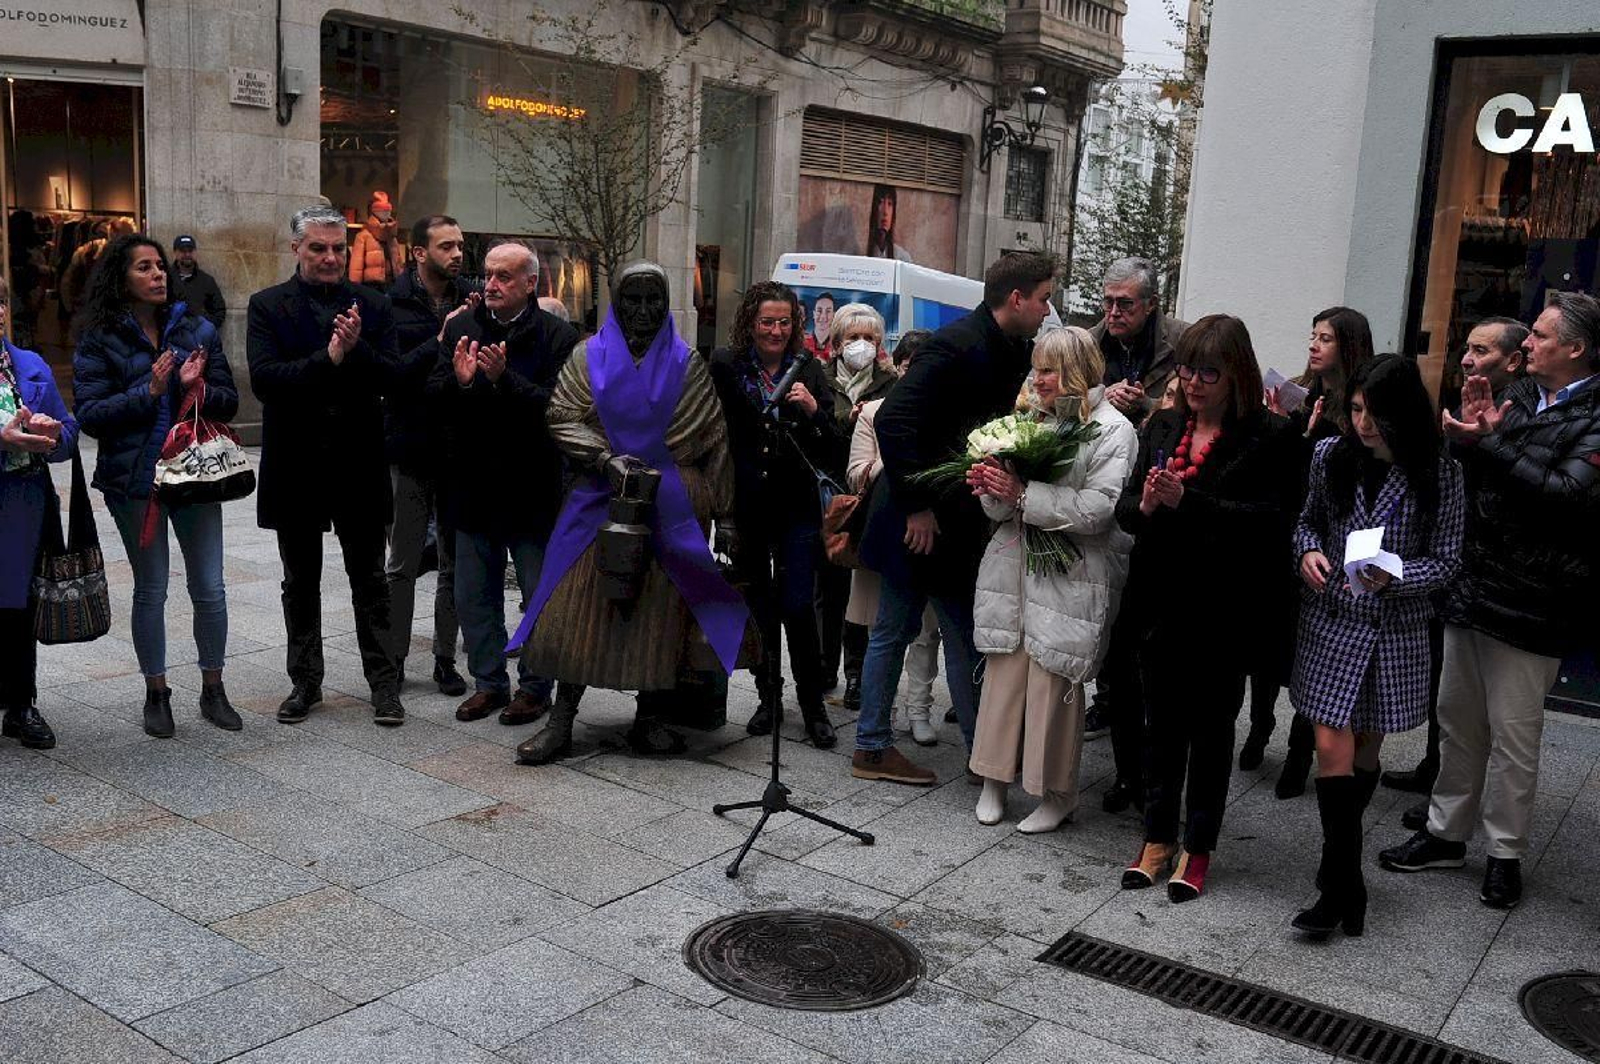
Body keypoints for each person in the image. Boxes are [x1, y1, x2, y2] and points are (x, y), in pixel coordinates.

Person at [1379, 291, 1600, 910]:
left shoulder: (1596, 415)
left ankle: (1504, 853)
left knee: (1514, 737)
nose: (1526, 343)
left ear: (1576, 350)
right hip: (1474, 584)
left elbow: (1567, 496)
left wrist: (1490, 445)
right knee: (1457, 721)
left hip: (1535, 601)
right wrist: (1463, 442)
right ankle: (1445, 833)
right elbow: (1475, 477)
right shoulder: (1519, 395)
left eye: (1540, 335)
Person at [510, 261, 749, 763]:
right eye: (633, 300)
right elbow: (560, 416)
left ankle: (651, 717)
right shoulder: (586, 356)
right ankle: (561, 720)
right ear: (615, 303)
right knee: (573, 607)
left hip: (672, 504)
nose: (643, 310)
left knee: (660, 615)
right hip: (600, 499)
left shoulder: (689, 365)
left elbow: (716, 443)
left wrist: (725, 517)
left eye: (653, 300)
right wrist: (603, 456)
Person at [1115, 315, 1305, 902]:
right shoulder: (1166, 424)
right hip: (1158, 601)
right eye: (1185, 369)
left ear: (1236, 374)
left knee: (1213, 729)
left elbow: (1275, 525)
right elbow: (1124, 512)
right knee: (1160, 726)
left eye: (1208, 372)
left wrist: (1188, 502)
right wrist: (1146, 506)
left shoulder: (1271, 436)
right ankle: (1155, 837)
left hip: (1225, 608)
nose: (1193, 382)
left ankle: (1199, 846)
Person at [854, 252, 1058, 784]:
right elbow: (896, 420)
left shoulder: (1008, 346)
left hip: (952, 519)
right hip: (918, 519)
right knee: (907, 632)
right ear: (1017, 299)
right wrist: (917, 506)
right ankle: (881, 748)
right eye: (1044, 297)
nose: (1047, 308)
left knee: (953, 634)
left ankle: (973, 752)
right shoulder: (955, 344)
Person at [1287, 355, 1464, 939]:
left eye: (1376, 414)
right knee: (1331, 748)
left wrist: (1399, 574)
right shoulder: (1329, 456)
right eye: (1357, 409)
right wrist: (1308, 553)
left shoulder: (1440, 473)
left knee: (1364, 752)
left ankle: (1335, 872)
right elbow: (1307, 523)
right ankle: (1343, 887)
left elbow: (1447, 560)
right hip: (1333, 621)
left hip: (1393, 634)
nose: (1363, 424)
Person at [73, 235, 242, 737]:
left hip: (194, 475)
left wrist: (197, 388)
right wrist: (147, 390)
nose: (158, 275)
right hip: (136, 481)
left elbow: (230, 401)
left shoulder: (197, 329)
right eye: (144, 267)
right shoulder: (99, 338)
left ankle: (214, 688)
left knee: (209, 587)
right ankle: (157, 693)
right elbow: (91, 416)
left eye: (160, 266)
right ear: (120, 278)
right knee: (151, 589)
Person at [968, 326, 1137, 832]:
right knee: (1005, 672)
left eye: (1047, 369)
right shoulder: (1028, 418)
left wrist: (1023, 495)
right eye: (1036, 368)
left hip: (1072, 571)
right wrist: (991, 487)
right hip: (1014, 565)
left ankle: (1056, 793)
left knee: (1054, 680)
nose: (1037, 379)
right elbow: (999, 508)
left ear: (1076, 371)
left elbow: (1099, 509)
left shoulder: (1112, 429)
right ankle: (993, 779)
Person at [248, 205, 404, 726]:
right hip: (296, 464)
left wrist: (355, 351)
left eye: (338, 247)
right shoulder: (267, 306)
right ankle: (305, 682)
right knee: (301, 581)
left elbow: (394, 378)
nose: (331, 257)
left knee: (370, 580)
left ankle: (385, 686)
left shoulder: (375, 306)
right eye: (318, 248)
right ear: (296, 249)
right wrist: (329, 358)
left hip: (358, 464)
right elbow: (267, 381)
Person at [427, 242, 575, 726]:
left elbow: (563, 409)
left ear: (530, 283)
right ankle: (489, 682)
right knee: (474, 594)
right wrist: (464, 382)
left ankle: (535, 687)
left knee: (537, 596)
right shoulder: (463, 329)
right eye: (488, 274)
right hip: (473, 487)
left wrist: (504, 378)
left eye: (503, 277)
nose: (490, 284)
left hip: (531, 489)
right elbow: (433, 398)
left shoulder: (557, 335)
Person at [1384, 317, 1528, 807]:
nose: (1467, 360)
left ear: (1513, 361)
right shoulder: (1463, 404)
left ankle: (1451, 795)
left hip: (1490, 569)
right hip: (1456, 560)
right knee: (1446, 686)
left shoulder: (1521, 413)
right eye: (1466, 348)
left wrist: (1482, 441)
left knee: (1480, 705)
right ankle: (1433, 769)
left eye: (1481, 351)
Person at [710, 281, 838, 748]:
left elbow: (831, 444)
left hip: (797, 508)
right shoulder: (726, 364)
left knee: (798, 606)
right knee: (760, 606)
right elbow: (716, 432)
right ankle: (769, 699)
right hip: (747, 505)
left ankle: (813, 706)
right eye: (768, 321)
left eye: (785, 322)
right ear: (751, 322)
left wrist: (810, 411)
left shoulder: (810, 369)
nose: (776, 330)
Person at [1080, 257, 1188, 807]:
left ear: (1151, 304)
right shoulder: (1091, 342)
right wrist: (1101, 401)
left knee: (1154, 657)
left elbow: (1189, 409)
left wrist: (1143, 405)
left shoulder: (1182, 342)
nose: (1113, 312)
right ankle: (1125, 764)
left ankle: (1157, 768)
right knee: (1118, 644)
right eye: (1108, 301)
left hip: (1166, 495)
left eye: (1125, 303)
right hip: (1112, 495)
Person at [1270, 306, 1376, 798]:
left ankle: (1302, 755)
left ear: (1348, 345)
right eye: (1312, 335)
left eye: (1326, 338)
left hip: (1340, 541)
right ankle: (1283, 743)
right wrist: (1284, 426)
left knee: (1323, 658)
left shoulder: (1359, 403)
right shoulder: (1299, 388)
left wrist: (1315, 436)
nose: (1314, 346)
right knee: (1295, 649)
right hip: (1295, 530)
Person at [384, 214, 473, 698]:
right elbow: (391, 375)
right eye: (446, 246)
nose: (457, 254)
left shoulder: (471, 301)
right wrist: (439, 339)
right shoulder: (390, 304)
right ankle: (395, 659)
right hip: (410, 445)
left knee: (454, 562)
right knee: (402, 561)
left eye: (460, 246)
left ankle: (444, 658)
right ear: (419, 252)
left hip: (458, 450)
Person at [846, 331, 941, 745]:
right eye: (908, 366)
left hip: (930, 532)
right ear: (899, 368)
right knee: (883, 630)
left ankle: (919, 709)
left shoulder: (942, 411)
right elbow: (855, 471)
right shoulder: (874, 412)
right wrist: (895, 462)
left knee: (927, 632)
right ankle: (875, 719)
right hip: (886, 527)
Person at [0, 278, 78, 749]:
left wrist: (51, 434)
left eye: (0, 301)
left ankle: (21, 704)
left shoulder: (29, 366)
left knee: (17, 604)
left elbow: (68, 435)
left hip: (21, 504)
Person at [818, 303, 897, 712]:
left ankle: (855, 675)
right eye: (853, 338)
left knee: (861, 594)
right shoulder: (820, 379)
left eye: (870, 339)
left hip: (868, 498)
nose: (862, 346)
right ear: (837, 343)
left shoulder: (891, 383)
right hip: (827, 491)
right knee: (827, 588)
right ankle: (822, 667)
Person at [169, 235, 227, 329]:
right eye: (183, 251)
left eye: (190, 251)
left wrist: (205, 328)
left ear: (195, 252)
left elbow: (219, 311)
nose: (187, 254)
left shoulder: (207, 281)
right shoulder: (166, 279)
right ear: (175, 253)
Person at [349, 191, 405, 289]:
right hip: (371, 287)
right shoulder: (363, 236)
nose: (387, 214)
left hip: (392, 286)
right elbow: (356, 268)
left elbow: (398, 263)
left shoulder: (391, 237)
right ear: (374, 212)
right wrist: (355, 290)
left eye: (388, 211)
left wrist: (402, 284)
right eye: (383, 211)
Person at [864, 185, 914, 263]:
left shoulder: (902, 258)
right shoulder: (861, 255)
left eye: (890, 204)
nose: (885, 212)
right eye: (880, 202)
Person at [804, 293, 836, 360]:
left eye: (828, 311)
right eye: (819, 311)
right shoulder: (801, 343)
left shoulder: (838, 346)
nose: (823, 316)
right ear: (814, 314)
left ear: (833, 315)